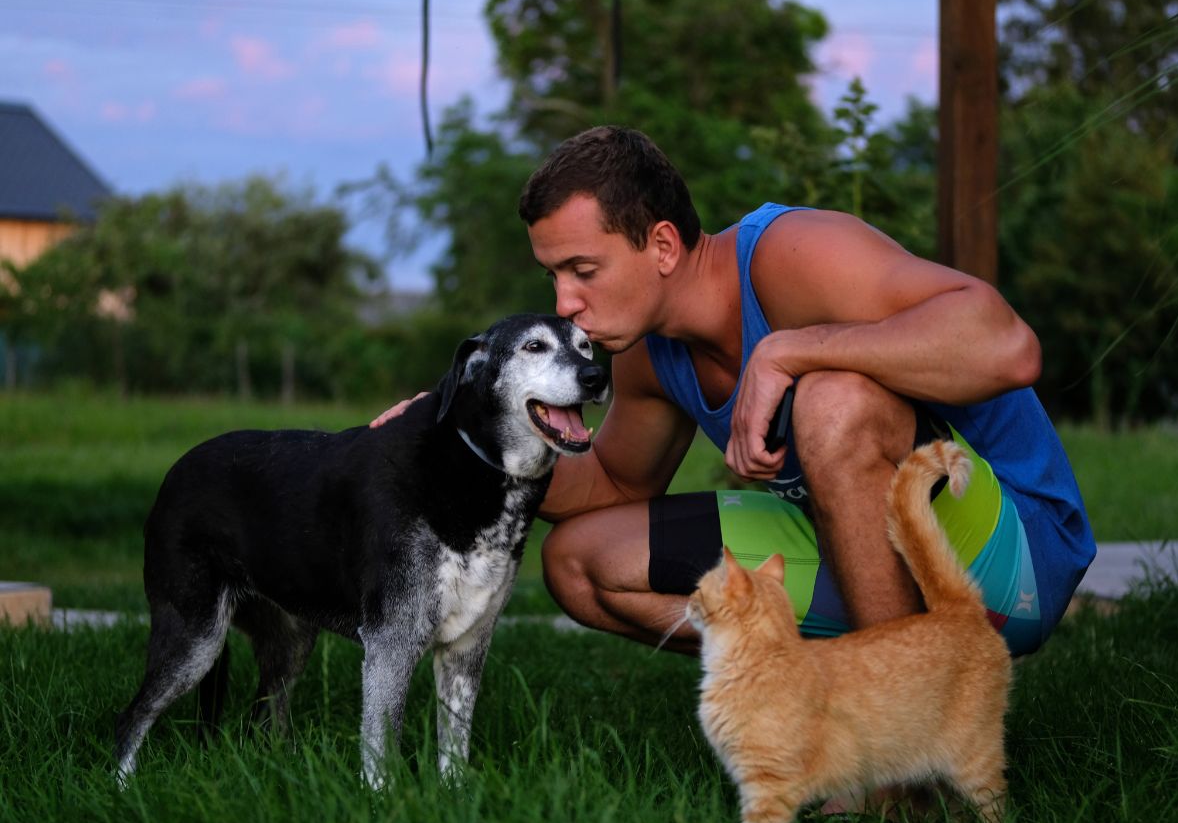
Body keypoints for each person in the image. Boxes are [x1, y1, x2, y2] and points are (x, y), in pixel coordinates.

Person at [375, 125, 1096, 658]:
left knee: (834, 400)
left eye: (583, 270)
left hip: (1012, 550)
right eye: (553, 277)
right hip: (864, 550)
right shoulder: (652, 355)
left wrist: (789, 349)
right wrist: (458, 443)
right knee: (582, 563)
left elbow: (1006, 344)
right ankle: (820, 689)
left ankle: (895, 756)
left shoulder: (791, 255)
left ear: (661, 246)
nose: (565, 303)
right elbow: (613, 484)